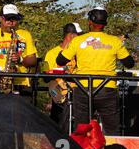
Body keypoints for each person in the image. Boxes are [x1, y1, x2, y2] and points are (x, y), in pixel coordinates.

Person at [57, 7, 135, 135]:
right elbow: (129, 63)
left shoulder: (78, 40)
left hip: (83, 88)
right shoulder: (115, 41)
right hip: (107, 88)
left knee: (81, 129)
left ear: (90, 22)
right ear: (105, 23)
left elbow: (60, 61)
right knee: (111, 130)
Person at [0, 4, 37, 95]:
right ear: (1, 18)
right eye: (8, 18)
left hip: (21, 83)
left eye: (14, 18)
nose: (11, 22)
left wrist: (20, 59)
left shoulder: (25, 34)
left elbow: (33, 60)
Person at [43, 23, 83, 130]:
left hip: (78, 93)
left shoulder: (80, 53)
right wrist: (60, 71)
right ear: (71, 36)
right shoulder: (52, 53)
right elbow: (45, 76)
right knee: (57, 127)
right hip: (59, 95)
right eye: (79, 35)